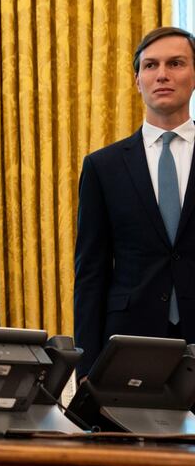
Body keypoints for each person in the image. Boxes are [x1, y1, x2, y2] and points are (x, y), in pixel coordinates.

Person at [75, 27, 195, 378]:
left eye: (175, 63)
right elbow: (90, 273)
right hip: (128, 343)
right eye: (151, 65)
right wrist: (87, 368)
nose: (162, 75)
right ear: (137, 80)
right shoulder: (103, 166)